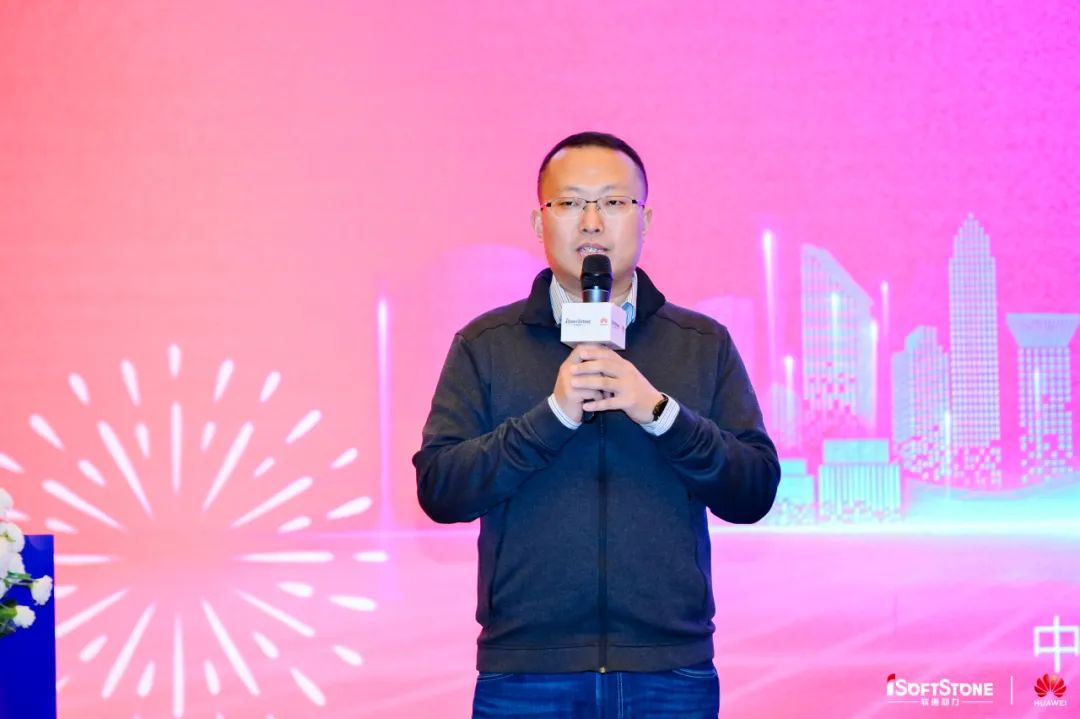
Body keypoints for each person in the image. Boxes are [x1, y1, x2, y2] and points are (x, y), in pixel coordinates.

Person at [413, 131, 780, 718]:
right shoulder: (485, 345)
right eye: (570, 202)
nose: (591, 222)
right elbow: (440, 488)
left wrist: (660, 414)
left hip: (669, 672)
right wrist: (552, 418)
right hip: (526, 673)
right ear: (539, 222)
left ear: (645, 219)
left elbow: (754, 490)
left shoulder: (701, 343)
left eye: (612, 202)